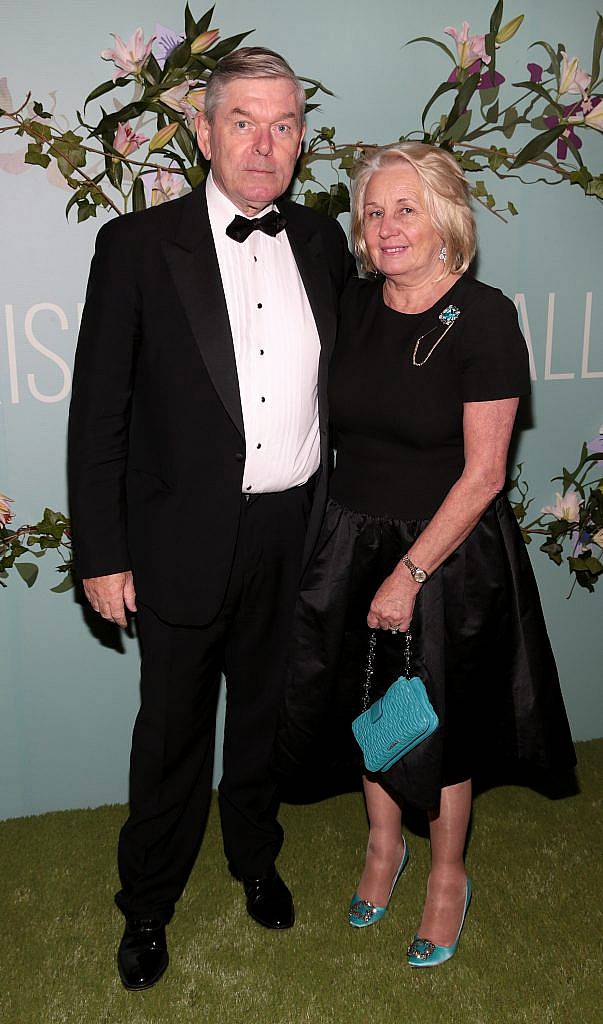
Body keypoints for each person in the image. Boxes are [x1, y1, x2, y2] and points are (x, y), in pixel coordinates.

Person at [68, 47, 355, 990]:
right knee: (173, 733)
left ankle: (255, 859)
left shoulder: (322, 240)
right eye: (243, 121)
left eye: (283, 124)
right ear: (203, 131)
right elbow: (98, 413)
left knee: (264, 721)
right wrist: (102, 553)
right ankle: (146, 905)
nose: (264, 143)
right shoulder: (139, 246)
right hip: (180, 538)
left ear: (302, 138)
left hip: (292, 533)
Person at [276, 142, 576, 967]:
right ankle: (383, 846)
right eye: (372, 212)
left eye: (404, 208)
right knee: (368, 704)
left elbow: (484, 475)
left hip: (442, 550)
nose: (385, 226)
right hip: (349, 537)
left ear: (444, 216)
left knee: (435, 720)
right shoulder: (353, 305)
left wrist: (409, 574)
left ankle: (446, 873)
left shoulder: (481, 317)